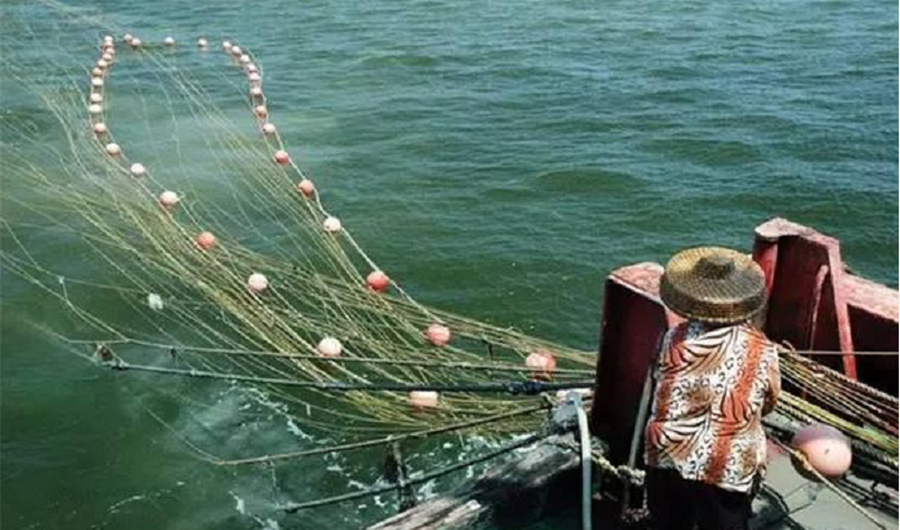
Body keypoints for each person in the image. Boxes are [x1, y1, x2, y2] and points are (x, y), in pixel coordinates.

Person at [644, 247, 781, 530]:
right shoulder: (763, 349)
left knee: (668, 523)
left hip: (668, 451)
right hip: (724, 464)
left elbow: (662, 382)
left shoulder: (673, 337)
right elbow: (768, 402)